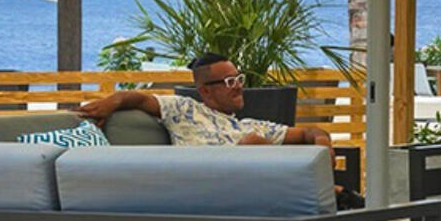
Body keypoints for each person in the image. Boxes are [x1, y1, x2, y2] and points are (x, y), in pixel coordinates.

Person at [76, 52, 333, 148]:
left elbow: (310, 132)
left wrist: (323, 143)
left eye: (238, 79)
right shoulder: (184, 110)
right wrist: (113, 101)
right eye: (229, 82)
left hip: (256, 182)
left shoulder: (250, 126)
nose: (238, 86)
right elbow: (141, 100)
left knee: (253, 139)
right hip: (211, 182)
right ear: (206, 91)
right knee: (252, 143)